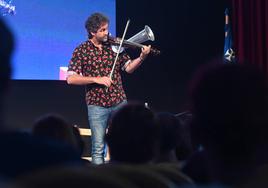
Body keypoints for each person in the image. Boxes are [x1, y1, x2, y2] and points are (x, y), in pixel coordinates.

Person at [67, 12, 151, 165]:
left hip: (118, 100)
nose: (107, 33)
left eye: (107, 29)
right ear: (93, 32)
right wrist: (96, 79)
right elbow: (71, 78)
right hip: (96, 105)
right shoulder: (82, 50)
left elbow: (129, 68)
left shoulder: (114, 47)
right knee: (98, 147)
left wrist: (142, 57)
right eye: (103, 30)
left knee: (126, 142)